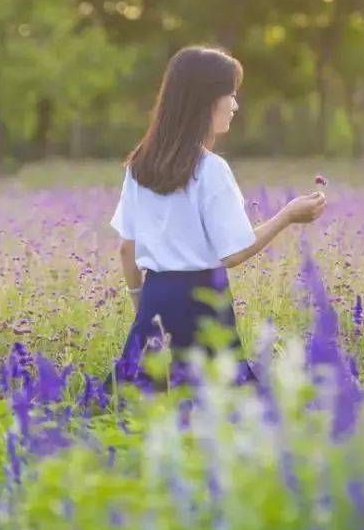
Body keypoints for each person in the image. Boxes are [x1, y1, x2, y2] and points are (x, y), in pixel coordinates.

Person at [109, 45, 326, 388]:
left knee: (142, 405)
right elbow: (233, 252)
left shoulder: (140, 165)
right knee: (223, 408)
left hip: (155, 298)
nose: (236, 105)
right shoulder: (211, 169)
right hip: (203, 303)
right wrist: (288, 215)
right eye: (231, 94)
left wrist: (142, 305)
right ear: (207, 100)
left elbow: (126, 248)